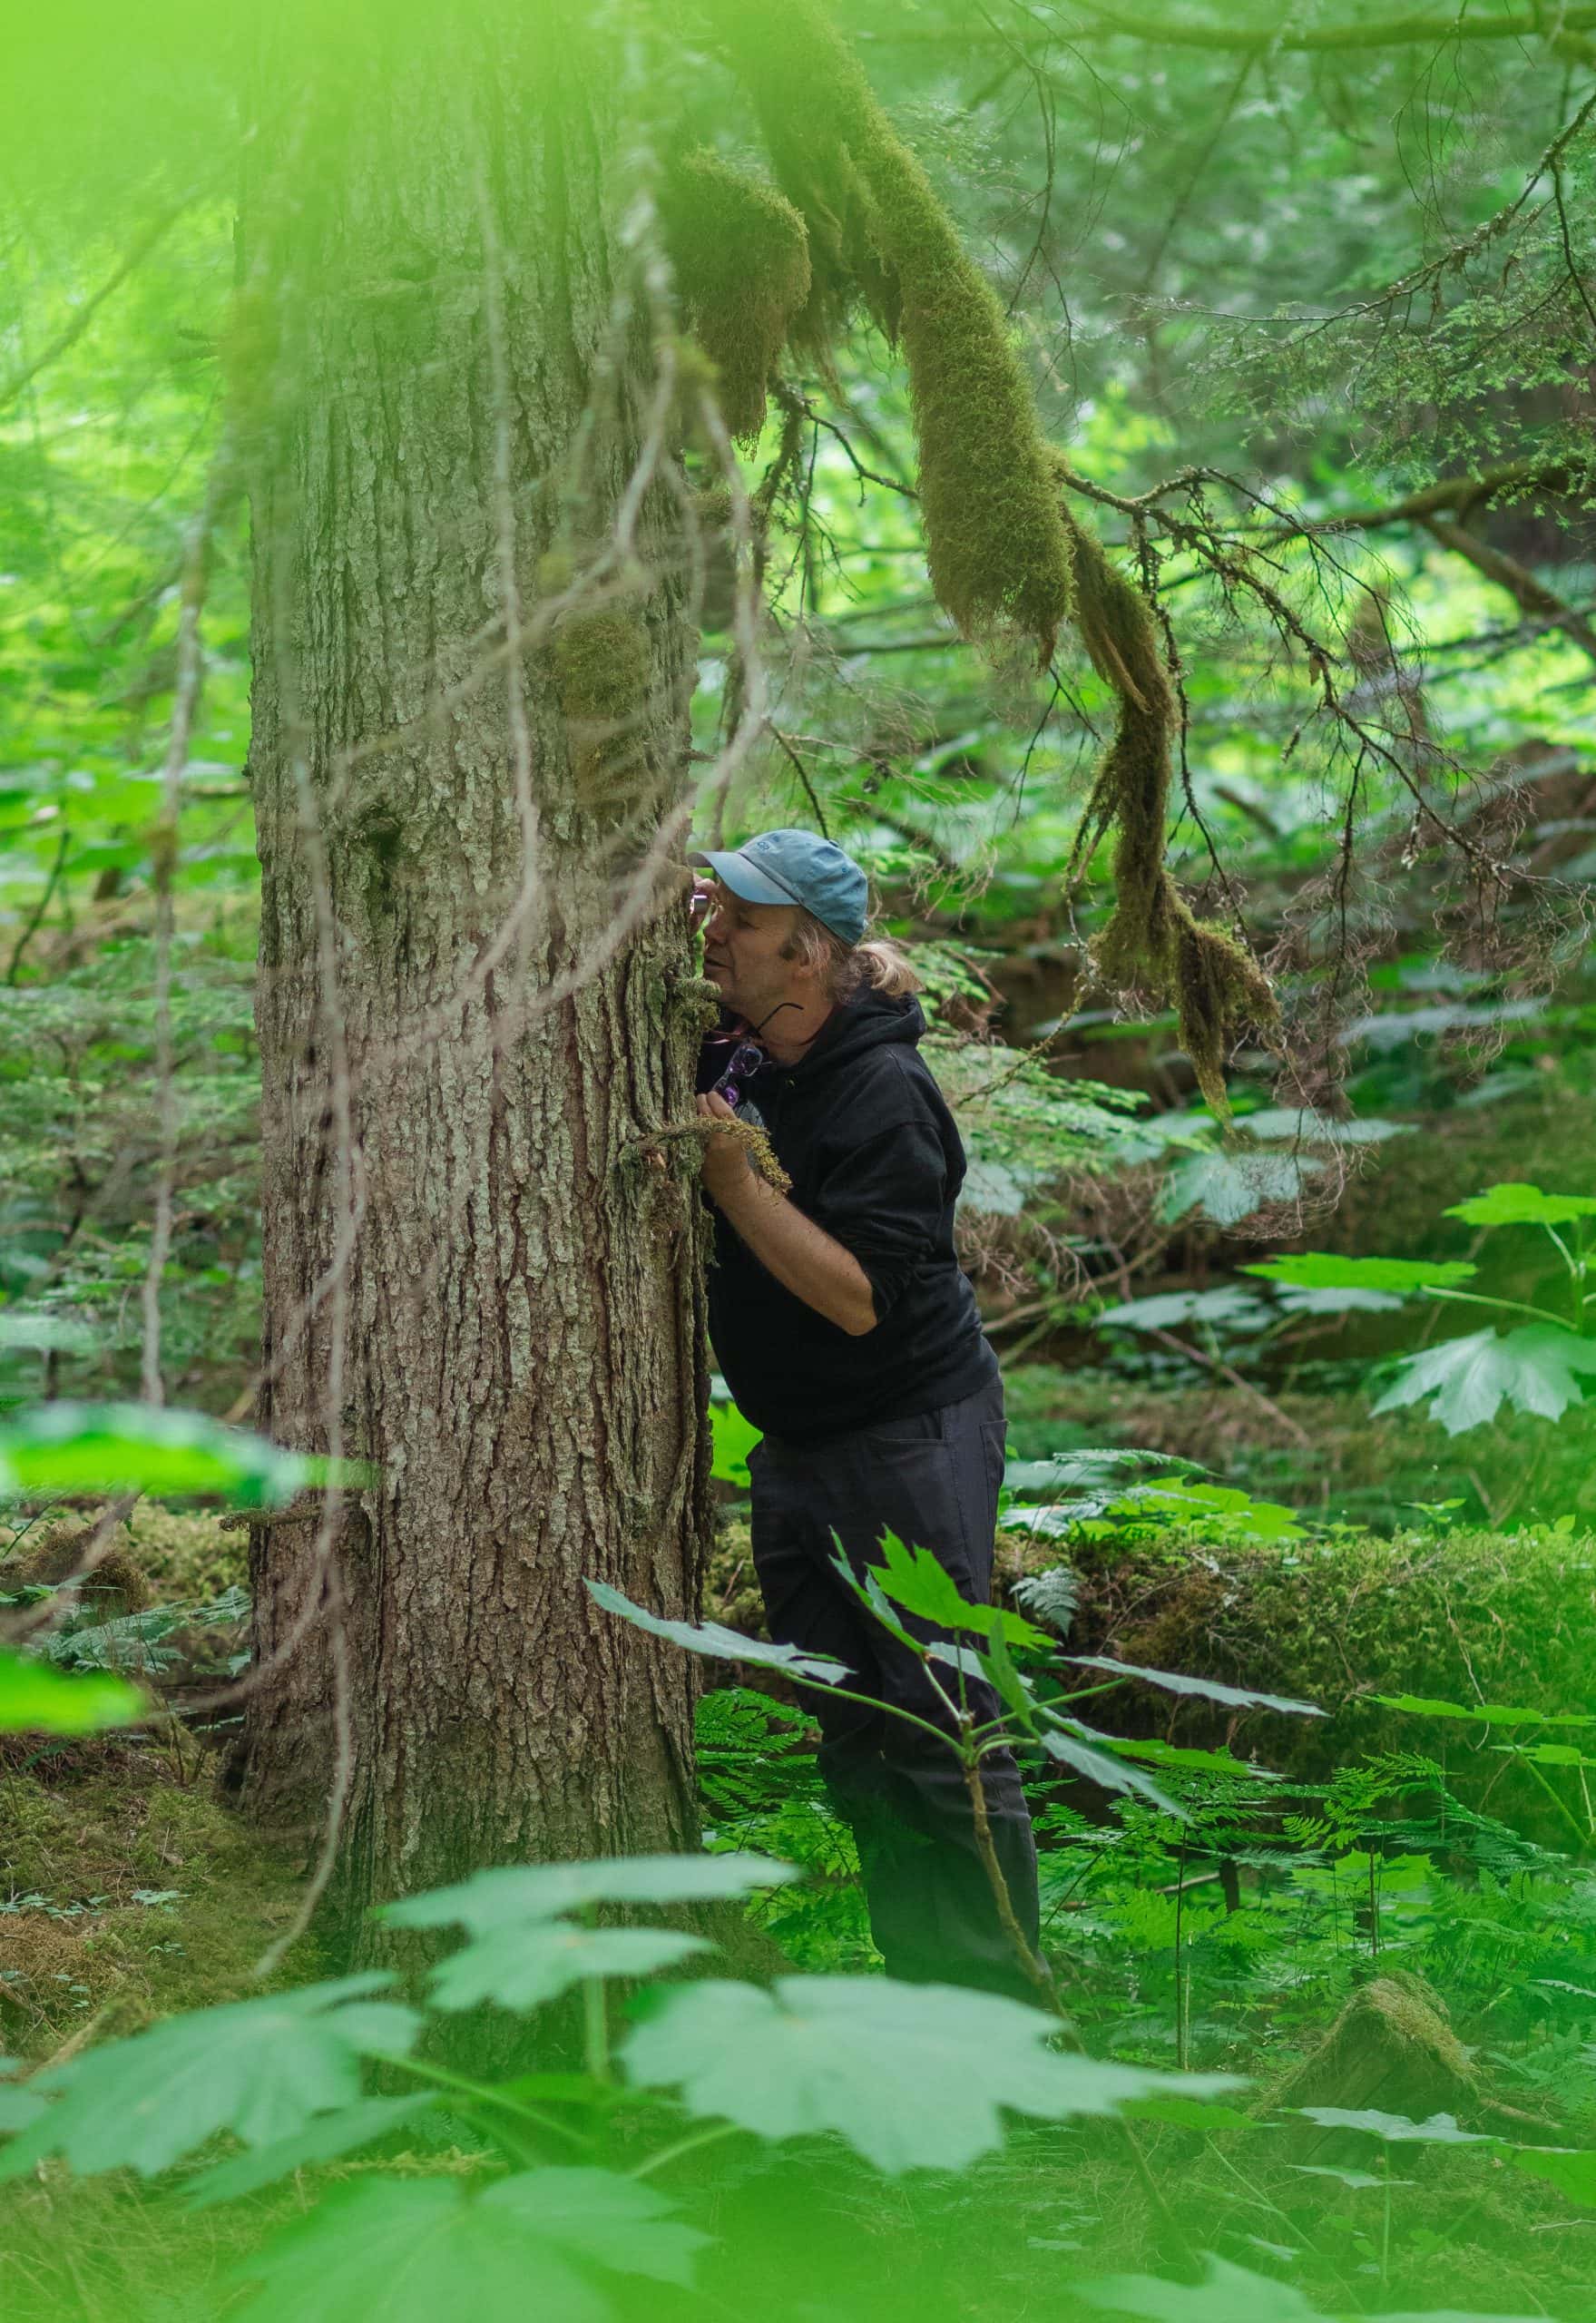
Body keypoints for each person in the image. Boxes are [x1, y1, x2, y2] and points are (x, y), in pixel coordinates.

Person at [688, 828, 1043, 2004]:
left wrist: (734, 1180)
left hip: (907, 1439)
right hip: (801, 1451)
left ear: (809, 957)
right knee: (854, 1738)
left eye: (744, 921)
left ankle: (1008, 2021)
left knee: (943, 1731)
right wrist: (705, 911)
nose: (716, 936)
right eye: (719, 908)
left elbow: (855, 1301)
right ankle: (924, 1992)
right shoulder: (755, 1050)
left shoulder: (883, 1089)